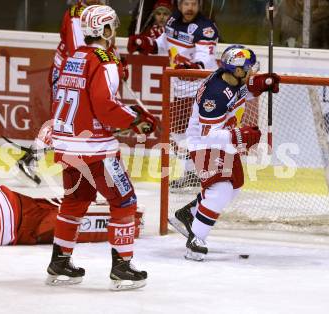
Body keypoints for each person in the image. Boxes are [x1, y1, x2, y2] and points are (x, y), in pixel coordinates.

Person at [45, 5, 157, 290]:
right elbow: (105, 108)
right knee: (124, 201)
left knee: (75, 201)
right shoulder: (104, 60)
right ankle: (122, 268)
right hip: (95, 149)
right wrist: (135, 120)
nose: (115, 32)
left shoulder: (74, 56)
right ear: (105, 30)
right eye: (112, 27)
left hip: (67, 144)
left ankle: (60, 263)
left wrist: (128, 112)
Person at [171, 45, 280, 261]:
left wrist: (260, 84)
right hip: (203, 143)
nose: (251, 71)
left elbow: (242, 91)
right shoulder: (215, 95)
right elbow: (207, 134)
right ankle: (196, 241)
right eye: (249, 69)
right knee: (220, 189)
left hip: (220, 139)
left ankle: (190, 215)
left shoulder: (230, 79)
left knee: (235, 187)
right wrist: (239, 136)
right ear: (237, 71)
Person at [15, 0, 130, 186]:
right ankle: (31, 159)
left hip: (79, 70)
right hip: (69, 72)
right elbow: (82, 49)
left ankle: (33, 159)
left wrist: (115, 59)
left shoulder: (96, 11)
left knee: (71, 118)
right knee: (63, 118)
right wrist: (110, 61)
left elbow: (103, 44)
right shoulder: (77, 14)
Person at [128, 0, 220, 189]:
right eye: (186, 3)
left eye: (194, 4)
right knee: (178, 133)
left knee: (194, 133)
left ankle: (202, 174)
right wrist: (144, 43)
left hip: (200, 87)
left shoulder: (206, 28)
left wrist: (194, 67)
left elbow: (205, 58)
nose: (190, 8)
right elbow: (161, 45)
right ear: (179, 4)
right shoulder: (172, 21)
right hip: (180, 87)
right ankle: (192, 173)